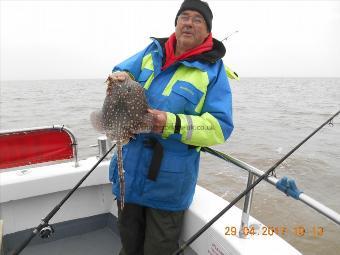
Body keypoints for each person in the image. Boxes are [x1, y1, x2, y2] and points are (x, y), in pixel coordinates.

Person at [107, 0, 233, 254]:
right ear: (176, 23)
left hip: (168, 184)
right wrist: (119, 77)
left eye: (198, 19)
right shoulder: (152, 51)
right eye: (184, 17)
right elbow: (122, 69)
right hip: (127, 174)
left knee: (159, 248)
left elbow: (220, 127)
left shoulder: (213, 71)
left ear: (208, 31)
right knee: (128, 242)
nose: (189, 22)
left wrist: (169, 123)